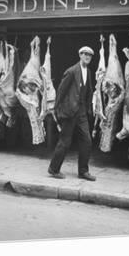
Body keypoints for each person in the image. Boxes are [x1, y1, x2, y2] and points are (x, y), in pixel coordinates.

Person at [47, 46, 96, 181]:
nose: (87, 57)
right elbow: (61, 91)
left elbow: (89, 91)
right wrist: (57, 109)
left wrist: (88, 108)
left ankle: (83, 171)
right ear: (80, 55)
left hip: (81, 112)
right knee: (65, 141)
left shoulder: (89, 72)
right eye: (85, 54)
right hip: (69, 112)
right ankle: (54, 169)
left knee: (86, 140)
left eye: (89, 55)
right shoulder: (72, 71)